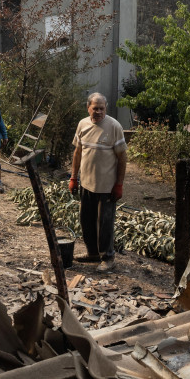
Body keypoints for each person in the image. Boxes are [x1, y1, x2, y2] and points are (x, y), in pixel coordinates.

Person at [70, 92, 127, 272]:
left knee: (105, 223)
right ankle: (92, 253)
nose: (99, 112)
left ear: (106, 109)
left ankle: (108, 257)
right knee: (86, 220)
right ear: (88, 108)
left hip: (106, 187)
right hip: (86, 183)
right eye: (95, 109)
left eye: (102, 108)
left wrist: (119, 184)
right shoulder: (83, 125)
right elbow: (78, 153)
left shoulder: (114, 126)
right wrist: (73, 177)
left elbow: (123, 157)